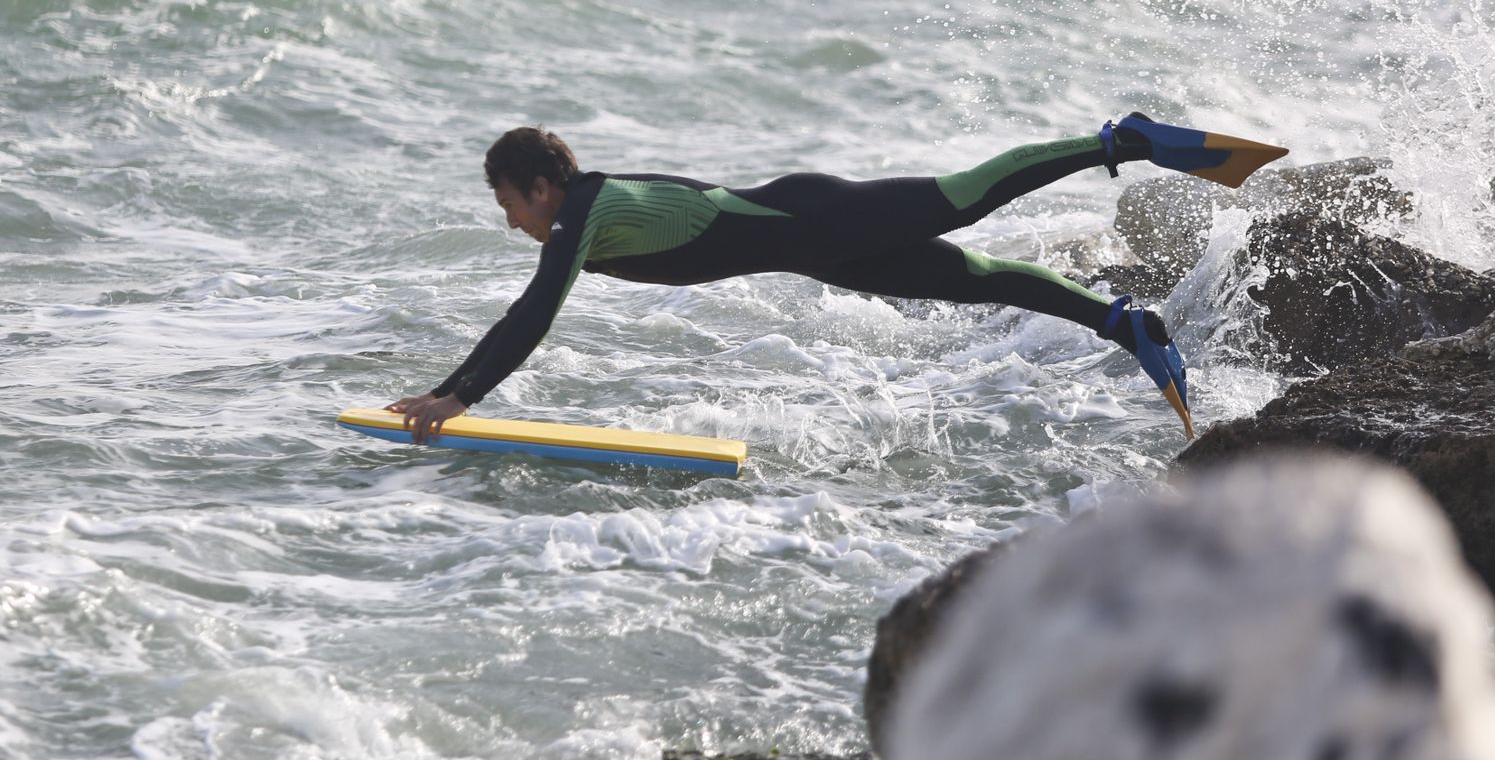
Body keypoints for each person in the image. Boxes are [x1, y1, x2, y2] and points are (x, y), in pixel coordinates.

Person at [387, 114, 1287, 444]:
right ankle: (1123, 322)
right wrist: (452, 388)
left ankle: (1121, 141)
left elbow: (533, 314)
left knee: (968, 197)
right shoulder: (584, 214)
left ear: (538, 185)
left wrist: (456, 394)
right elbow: (530, 309)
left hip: (814, 217)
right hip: (818, 246)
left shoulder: (582, 212)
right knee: (981, 278)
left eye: (507, 202)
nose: (509, 219)